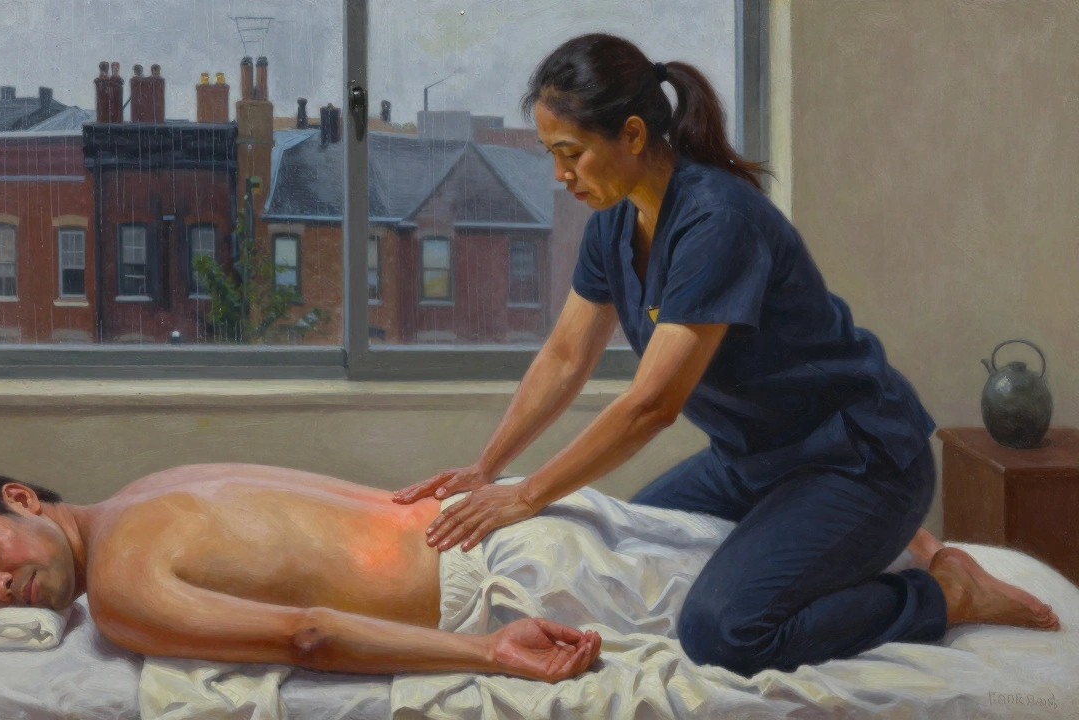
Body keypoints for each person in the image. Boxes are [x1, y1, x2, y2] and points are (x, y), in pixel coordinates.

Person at [393, 33, 1059, 677]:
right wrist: (488, 468)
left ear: (630, 134)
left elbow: (653, 404)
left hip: (859, 458)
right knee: (623, 547)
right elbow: (566, 356)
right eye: (551, 156)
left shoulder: (718, 220)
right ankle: (887, 547)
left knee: (724, 631)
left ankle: (944, 595)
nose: (562, 175)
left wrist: (528, 494)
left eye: (571, 153)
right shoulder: (613, 226)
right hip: (755, 462)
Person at [0, 462, 602, 682]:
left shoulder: (116, 586)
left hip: (515, 576)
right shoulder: (152, 486)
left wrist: (490, 652)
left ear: (21, 501)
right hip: (495, 514)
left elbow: (308, 636)